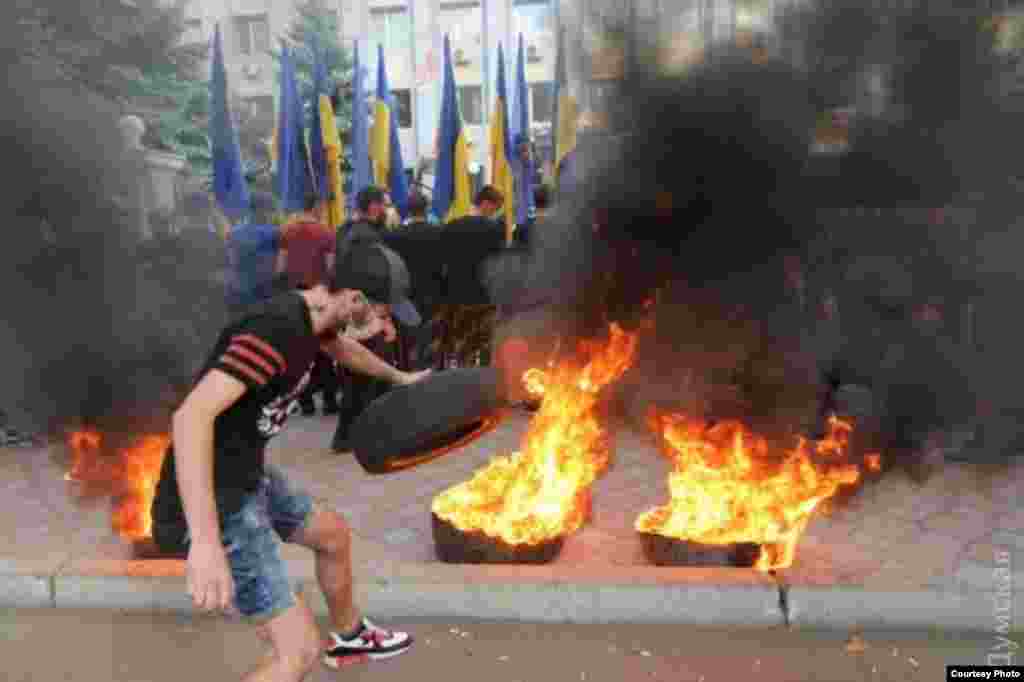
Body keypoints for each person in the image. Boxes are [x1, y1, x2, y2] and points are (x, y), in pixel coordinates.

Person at [150, 241, 429, 680]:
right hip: (220, 500)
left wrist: (399, 377)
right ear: (354, 299)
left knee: (332, 535)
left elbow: (342, 349)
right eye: (381, 313)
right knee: (295, 655)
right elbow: (190, 418)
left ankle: (351, 634)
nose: (385, 325)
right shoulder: (274, 330)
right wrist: (204, 543)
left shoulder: (316, 320)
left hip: (247, 472)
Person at [331, 187, 413, 452]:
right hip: (366, 312)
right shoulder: (365, 238)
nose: (388, 209)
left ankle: (356, 434)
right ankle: (360, 435)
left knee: (364, 373)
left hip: (354, 310)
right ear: (373, 206)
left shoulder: (348, 231)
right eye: (384, 204)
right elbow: (370, 275)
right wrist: (381, 309)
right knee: (367, 373)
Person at [279, 191, 341, 416]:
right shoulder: (326, 233)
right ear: (316, 207)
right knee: (326, 347)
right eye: (323, 207)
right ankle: (330, 400)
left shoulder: (287, 231)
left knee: (300, 350)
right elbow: (331, 268)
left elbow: (281, 268)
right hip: (319, 296)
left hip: (295, 297)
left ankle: (305, 403)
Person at [225, 192, 281, 317]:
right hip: (264, 294)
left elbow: (231, 261)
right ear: (263, 211)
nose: (273, 215)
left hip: (237, 293)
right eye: (272, 210)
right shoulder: (274, 233)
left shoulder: (234, 233)